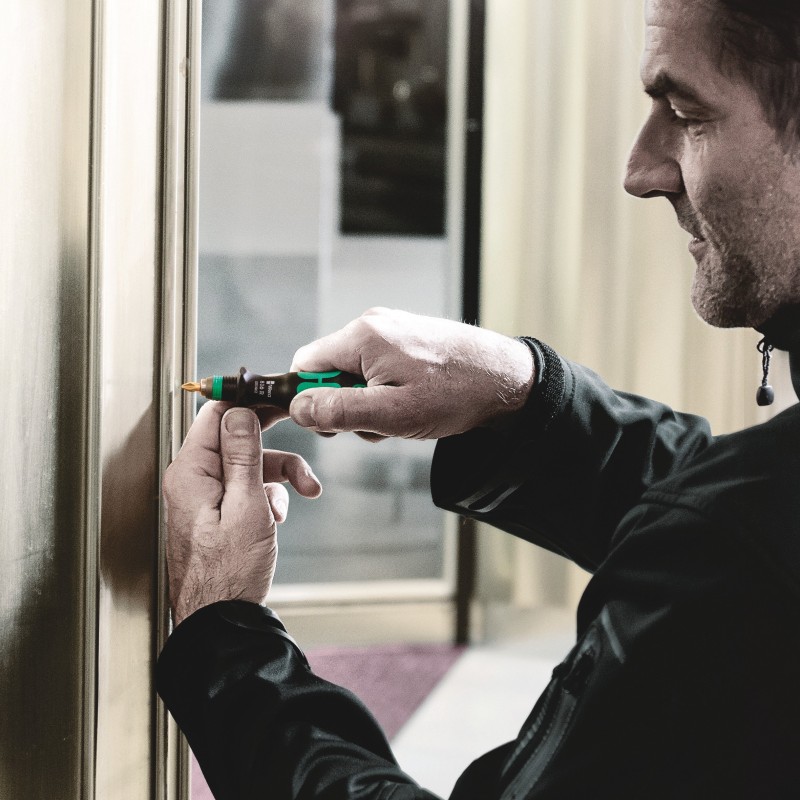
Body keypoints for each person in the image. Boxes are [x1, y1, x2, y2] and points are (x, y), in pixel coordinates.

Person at [156, 0, 800, 797]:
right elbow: (731, 513)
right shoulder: (742, 541)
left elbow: (731, 542)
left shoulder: (732, 561)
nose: (640, 170)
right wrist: (522, 394)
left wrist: (224, 643)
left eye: (688, 114)